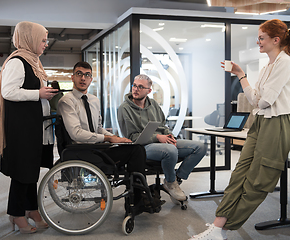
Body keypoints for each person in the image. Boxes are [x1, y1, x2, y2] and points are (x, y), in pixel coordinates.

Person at [189, 19, 290, 240]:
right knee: (239, 175)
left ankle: (224, 228)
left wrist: (259, 99)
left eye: (262, 38)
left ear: (276, 40)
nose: (258, 41)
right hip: (261, 122)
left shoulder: (285, 63)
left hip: (277, 123)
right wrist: (240, 74)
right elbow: (255, 99)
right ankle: (218, 227)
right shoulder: (266, 67)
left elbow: (265, 100)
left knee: (258, 180)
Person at [57, 61, 154, 209]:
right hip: (80, 151)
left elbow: (98, 128)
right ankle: (138, 200)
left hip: (98, 149)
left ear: (91, 79)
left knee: (136, 148)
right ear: (72, 77)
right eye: (79, 74)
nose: (83, 78)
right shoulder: (66, 101)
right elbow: (76, 134)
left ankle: (137, 196)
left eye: (87, 75)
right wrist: (108, 138)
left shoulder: (94, 100)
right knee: (135, 152)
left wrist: (117, 139)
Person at [0, 21, 58, 234]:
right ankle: (16, 214)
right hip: (22, 129)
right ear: (30, 39)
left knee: (30, 171)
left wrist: (44, 93)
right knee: (22, 173)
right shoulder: (18, 61)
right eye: (42, 40)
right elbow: (8, 92)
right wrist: (38, 94)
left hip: (32, 127)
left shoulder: (33, 61)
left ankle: (32, 209)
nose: (45, 44)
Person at [117, 74, 206, 203]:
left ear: (149, 91)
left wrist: (169, 136)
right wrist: (158, 137)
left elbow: (162, 125)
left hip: (161, 142)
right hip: (140, 148)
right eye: (134, 86)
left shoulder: (152, 104)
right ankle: (171, 183)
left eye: (140, 87)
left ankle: (175, 180)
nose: (136, 89)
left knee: (200, 148)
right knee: (170, 150)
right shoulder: (124, 108)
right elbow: (132, 138)